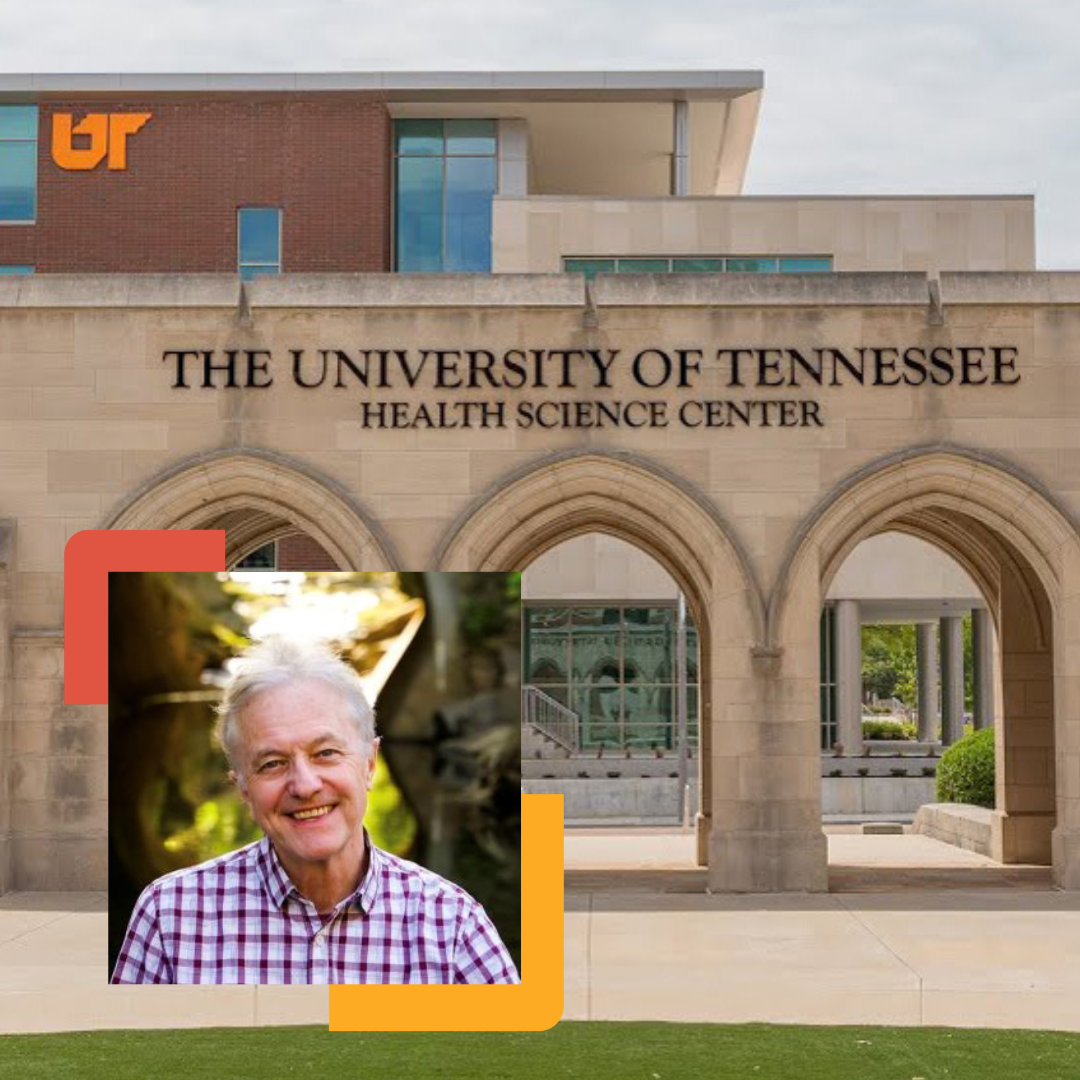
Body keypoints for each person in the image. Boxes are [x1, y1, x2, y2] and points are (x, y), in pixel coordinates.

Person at [111, 636, 520, 985]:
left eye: (325, 753)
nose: (305, 785)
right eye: (272, 763)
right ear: (244, 789)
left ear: (369, 764)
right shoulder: (171, 917)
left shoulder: (452, 925)